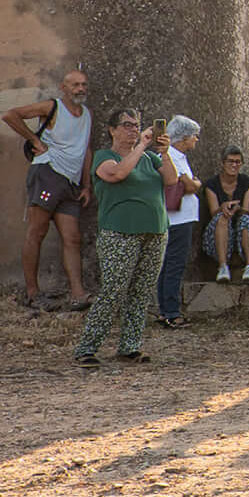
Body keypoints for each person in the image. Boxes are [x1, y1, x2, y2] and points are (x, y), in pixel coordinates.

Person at [77, 108, 169, 367]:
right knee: (114, 290)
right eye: (127, 125)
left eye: (137, 125)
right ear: (112, 129)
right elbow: (117, 174)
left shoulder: (151, 159)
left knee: (141, 292)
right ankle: (87, 348)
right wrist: (140, 146)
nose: (134, 130)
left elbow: (171, 180)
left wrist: (163, 152)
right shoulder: (104, 157)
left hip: (155, 231)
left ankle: (129, 347)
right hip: (119, 233)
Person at [3, 68, 97, 312]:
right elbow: (10, 115)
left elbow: (86, 150)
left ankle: (78, 293)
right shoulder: (51, 107)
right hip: (48, 173)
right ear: (63, 88)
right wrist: (35, 141)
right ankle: (33, 293)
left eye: (83, 85)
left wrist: (86, 185)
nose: (80, 89)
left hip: (71, 182)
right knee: (38, 230)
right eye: (75, 85)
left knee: (72, 237)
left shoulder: (87, 114)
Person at [154, 116, 206, 328]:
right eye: (194, 136)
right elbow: (189, 186)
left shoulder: (177, 157)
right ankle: (171, 312)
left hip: (180, 216)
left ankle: (165, 309)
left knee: (167, 265)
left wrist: (192, 183)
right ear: (184, 137)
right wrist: (196, 183)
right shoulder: (172, 157)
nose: (196, 140)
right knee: (174, 264)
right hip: (178, 218)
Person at [210, 144, 249, 292]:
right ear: (223, 163)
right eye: (230, 161)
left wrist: (238, 209)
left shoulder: (248, 183)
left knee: (245, 220)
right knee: (221, 218)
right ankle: (223, 267)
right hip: (218, 230)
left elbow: (247, 210)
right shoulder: (212, 184)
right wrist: (223, 207)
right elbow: (213, 211)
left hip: (240, 226)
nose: (234, 165)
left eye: (238, 162)